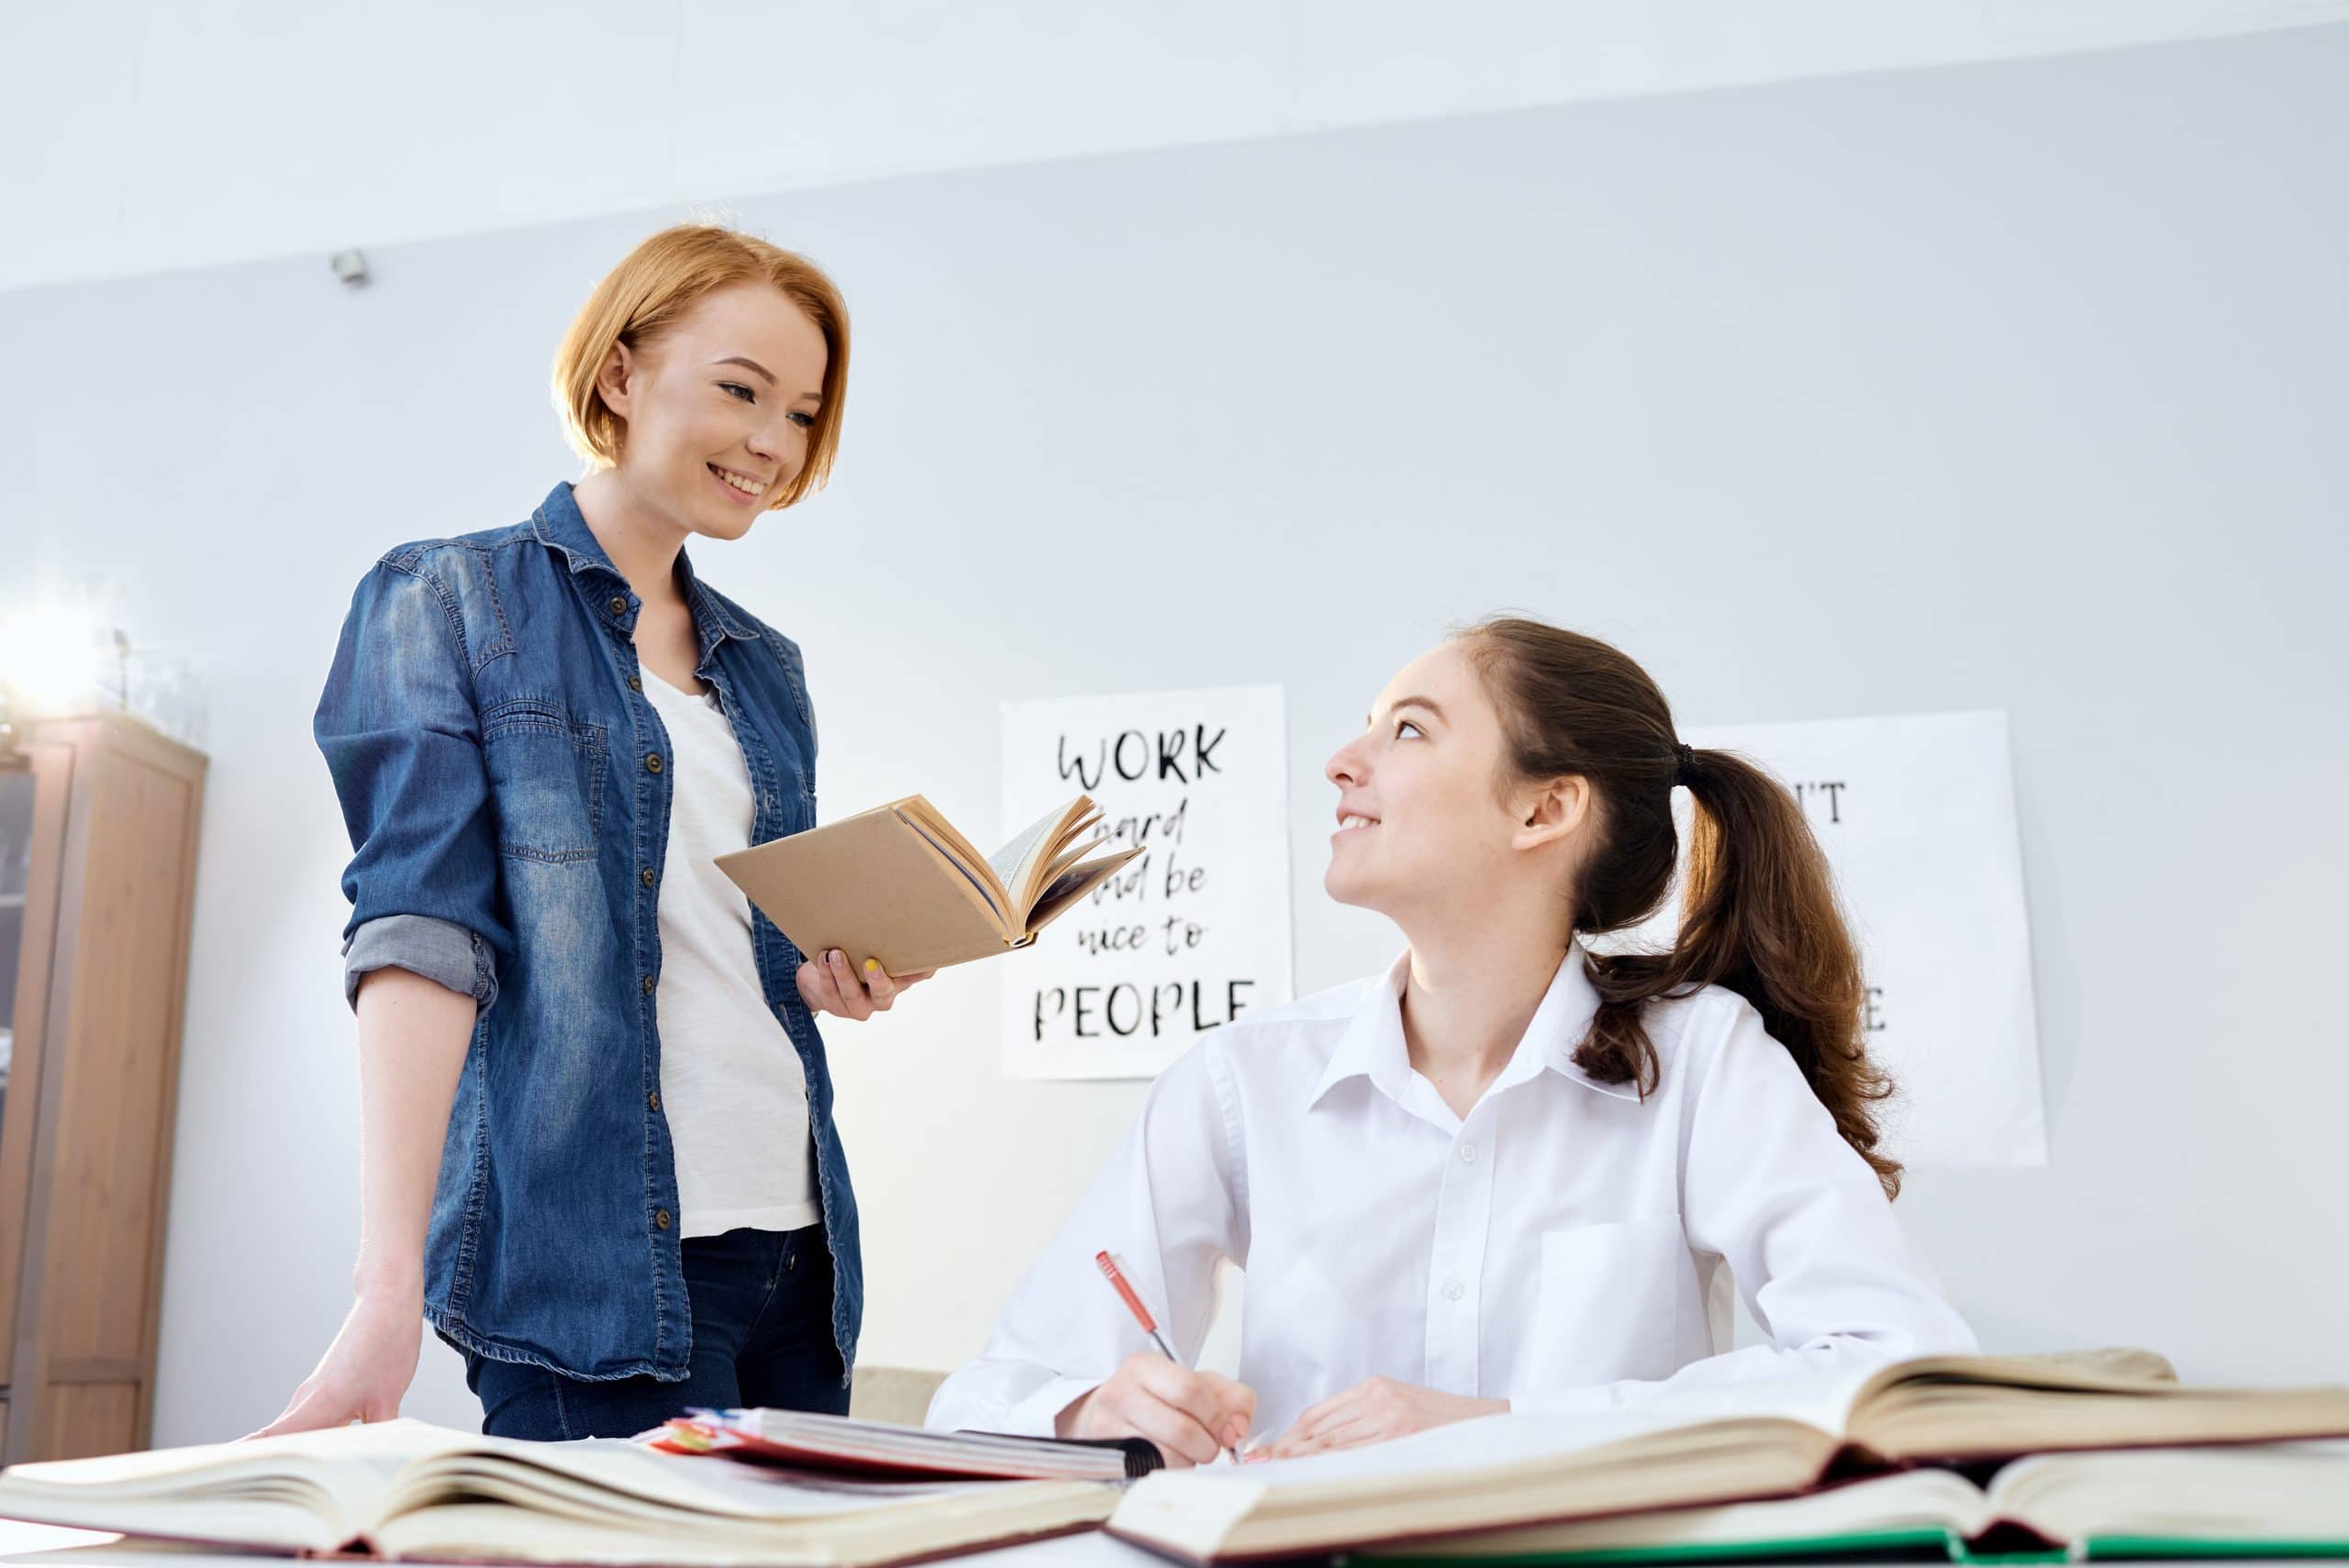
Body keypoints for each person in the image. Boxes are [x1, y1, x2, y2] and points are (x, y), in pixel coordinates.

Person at [927, 617, 1976, 1463]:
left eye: (1409, 730)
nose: (1342, 763)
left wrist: (1507, 1427)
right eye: (1366, 727)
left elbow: (1904, 1366)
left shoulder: (1702, 1059)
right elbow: (984, 1398)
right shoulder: (1242, 1080)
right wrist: (1088, 1411)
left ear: (1544, 808)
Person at [260, 225, 930, 1441]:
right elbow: (420, 936)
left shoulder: (767, 672)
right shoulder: (446, 598)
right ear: (620, 375)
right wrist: (385, 1291)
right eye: (740, 390)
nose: (772, 444)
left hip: (800, 1260)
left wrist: (840, 970)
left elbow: (725, 951)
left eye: (802, 413)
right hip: (591, 1272)